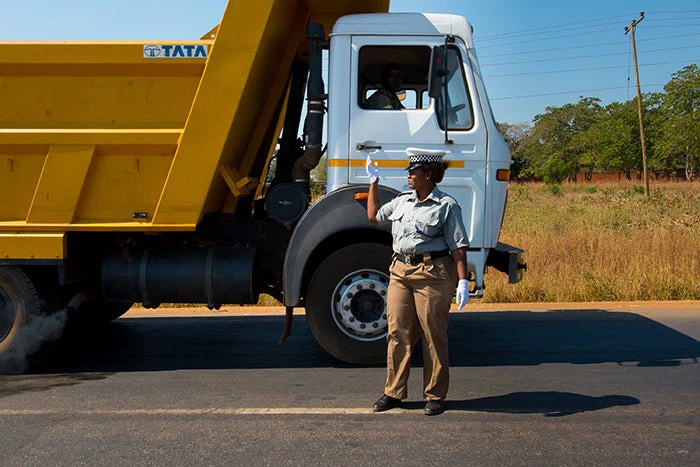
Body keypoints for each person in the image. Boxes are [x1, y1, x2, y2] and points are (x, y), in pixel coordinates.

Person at [365, 148, 470, 416]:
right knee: (397, 332)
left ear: (429, 175)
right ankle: (394, 392)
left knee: (433, 335)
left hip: (433, 274)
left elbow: (457, 247)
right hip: (400, 270)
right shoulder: (402, 201)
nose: (409, 175)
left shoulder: (446, 206)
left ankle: (435, 395)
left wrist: (462, 281)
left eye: (414, 171)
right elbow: (374, 215)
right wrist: (373, 183)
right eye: (409, 171)